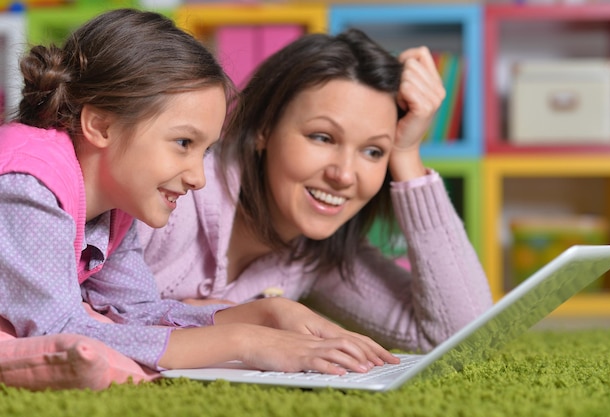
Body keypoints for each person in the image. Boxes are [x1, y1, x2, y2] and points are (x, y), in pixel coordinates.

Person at [0, 8, 397, 378]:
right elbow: (55, 332)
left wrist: (262, 315)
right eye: (183, 143)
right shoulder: (29, 184)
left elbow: (135, 311)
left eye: (205, 150)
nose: (198, 177)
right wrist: (244, 341)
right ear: (101, 125)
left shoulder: (117, 203)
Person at [138, 28, 494, 355]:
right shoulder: (176, 193)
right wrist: (249, 319)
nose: (343, 175)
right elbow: (86, 314)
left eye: (373, 151)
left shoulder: (315, 257)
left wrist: (406, 154)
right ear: (264, 128)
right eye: (322, 137)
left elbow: (465, 335)